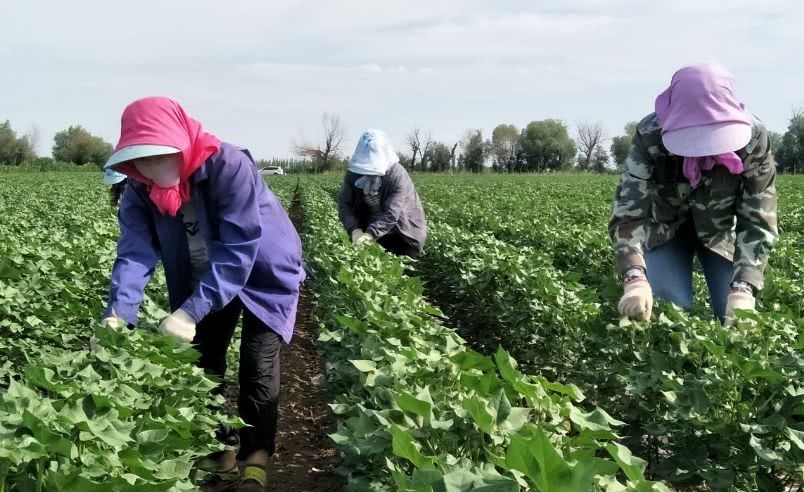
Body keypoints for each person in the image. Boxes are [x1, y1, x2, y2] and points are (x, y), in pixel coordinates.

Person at [101, 97, 305, 492]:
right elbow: (134, 252)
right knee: (203, 362)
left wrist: (191, 310)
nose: (151, 166)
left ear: (180, 141)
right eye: (141, 158)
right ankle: (219, 452)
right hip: (204, 273)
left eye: (160, 154)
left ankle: (255, 460)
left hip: (263, 270)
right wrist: (118, 313)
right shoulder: (139, 190)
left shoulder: (229, 164)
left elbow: (239, 246)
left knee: (257, 364)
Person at [609, 63, 778, 325]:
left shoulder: (752, 140)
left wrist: (744, 287)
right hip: (665, 229)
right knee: (669, 307)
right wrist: (634, 277)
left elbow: (758, 219)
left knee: (734, 314)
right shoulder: (651, 136)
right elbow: (628, 213)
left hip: (720, 233)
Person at [338, 129, 427, 257]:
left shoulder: (396, 175)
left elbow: (392, 213)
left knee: (401, 264)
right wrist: (355, 230)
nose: (369, 173)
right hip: (370, 225)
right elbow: (344, 204)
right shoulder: (353, 174)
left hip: (402, 233)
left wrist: (370, 234)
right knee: (370, 262)